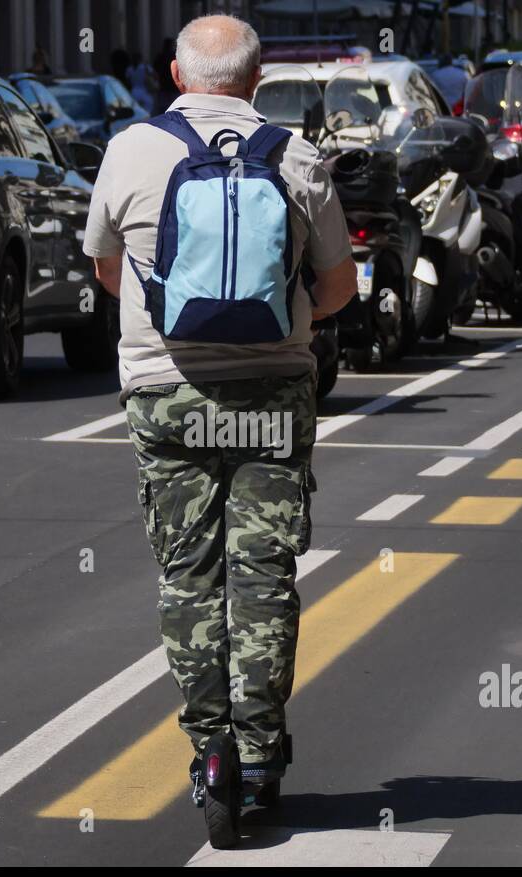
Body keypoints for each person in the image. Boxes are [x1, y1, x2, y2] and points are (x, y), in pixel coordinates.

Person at [82, 13, 357, 835]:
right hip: (273, 398)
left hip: (166, 395)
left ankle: (210, 753)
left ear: (174, 74)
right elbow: (340, 288)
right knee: (264, 580)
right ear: (258, 77)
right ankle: (263, 759)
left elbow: (104, 266)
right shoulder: (298, 156)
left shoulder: (131, 150)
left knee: (189, 578)